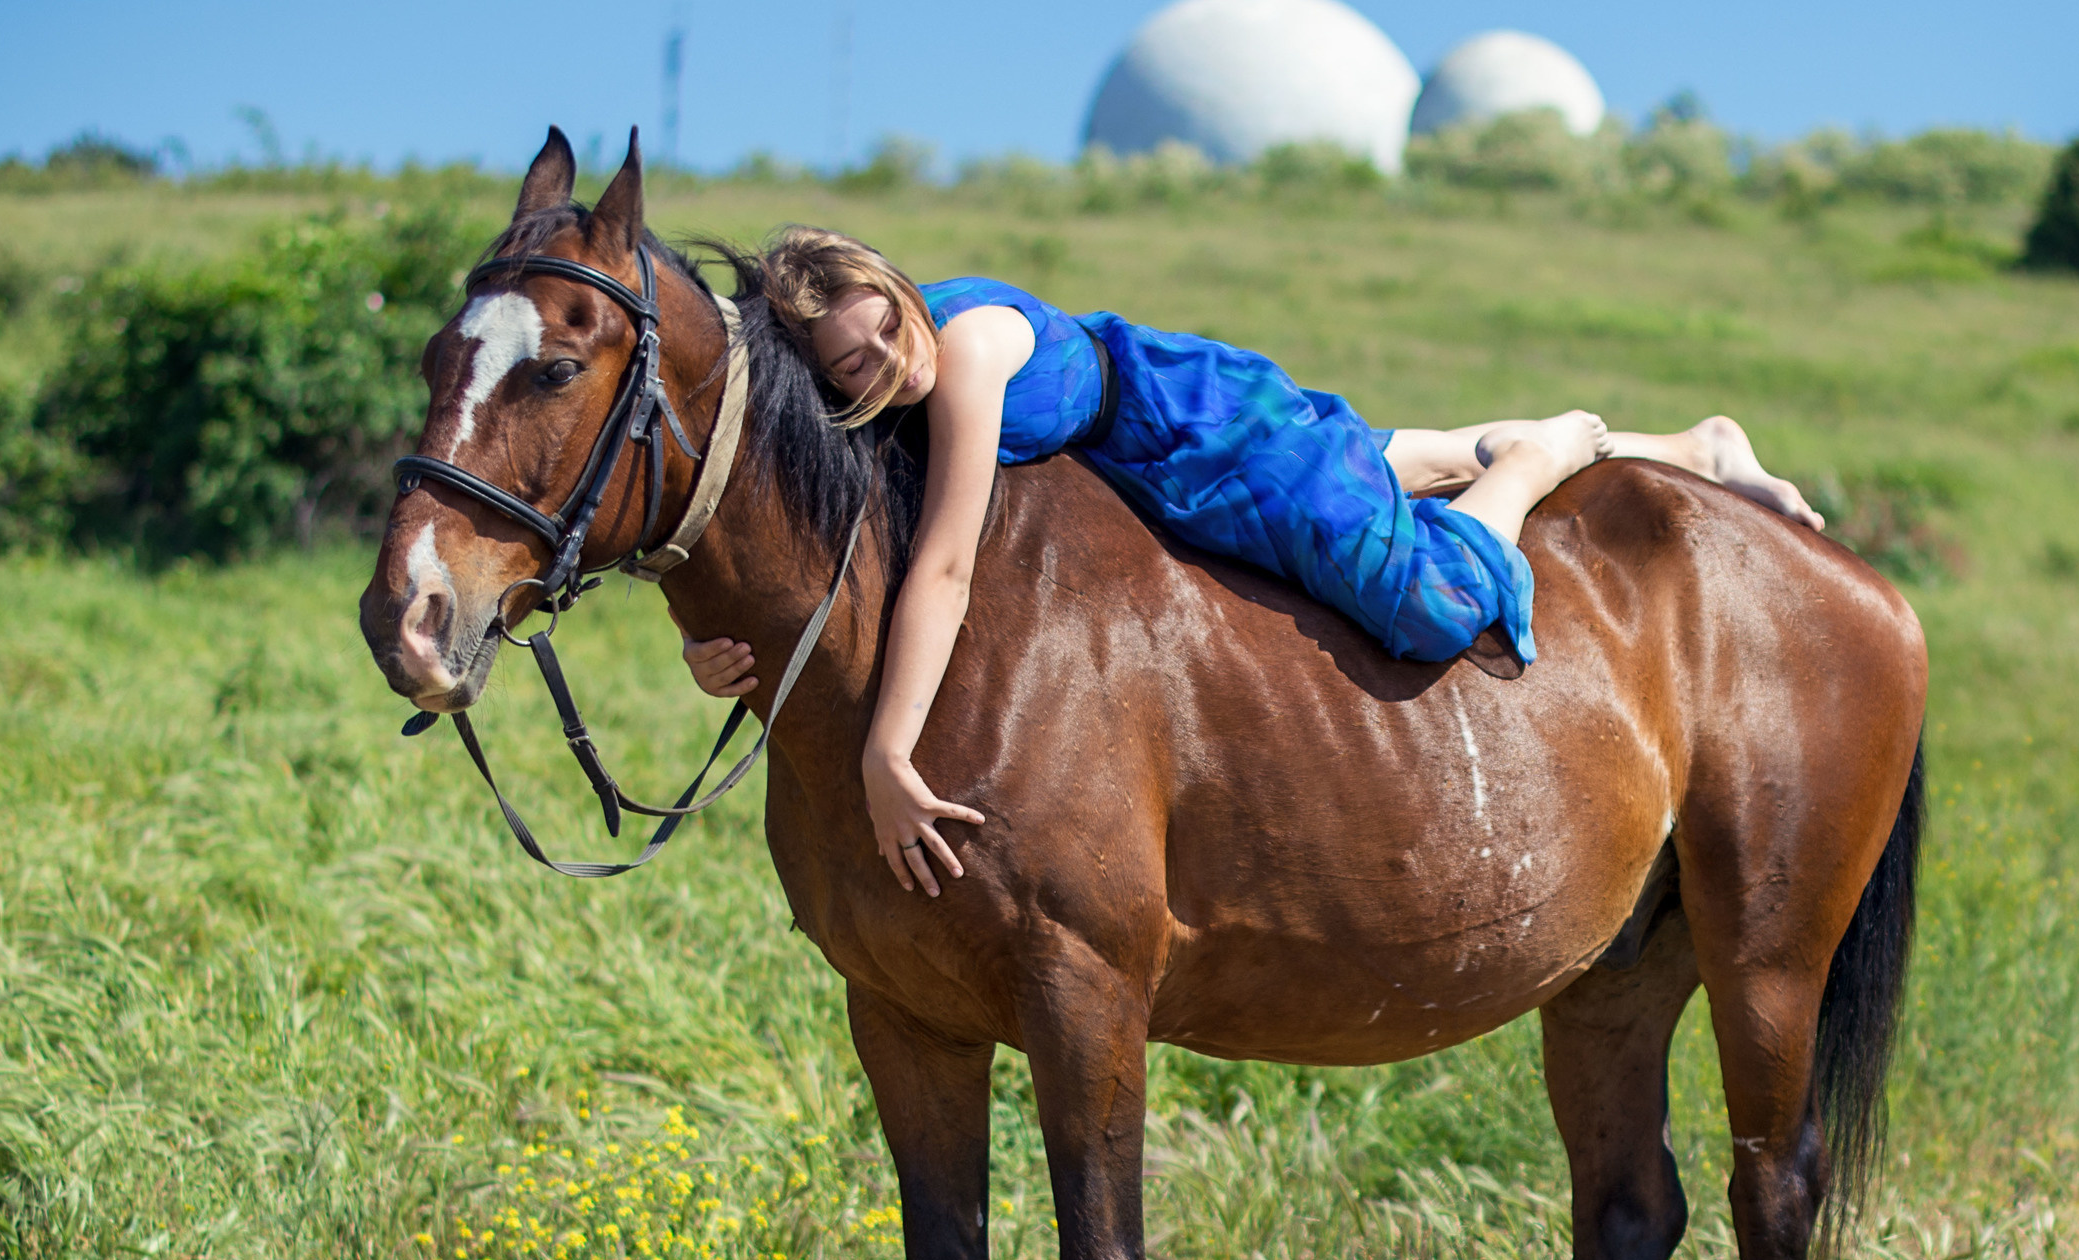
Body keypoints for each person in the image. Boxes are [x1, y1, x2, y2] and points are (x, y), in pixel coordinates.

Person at [683, 228, 1821, 897]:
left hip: (1205, 432)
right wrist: (713, 648)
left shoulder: (965, 352)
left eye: (881, 324)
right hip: (1160, 450)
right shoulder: (901, 388)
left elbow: (940, 569)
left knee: (1427, 601)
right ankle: (1692, 447)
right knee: (1408, 462)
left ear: (892, 285)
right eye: (849, 367)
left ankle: (1543, 452)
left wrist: (886, 751)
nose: (884, 361)